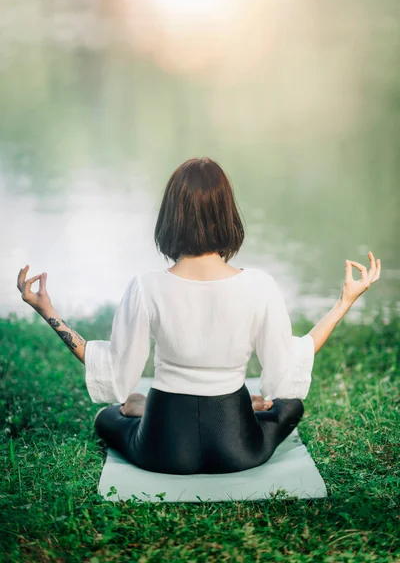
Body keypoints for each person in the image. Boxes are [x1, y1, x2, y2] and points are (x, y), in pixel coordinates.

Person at [16, 157, 381, 475]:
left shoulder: (145, 286)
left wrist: (48, 311)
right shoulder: (260, 285)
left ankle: (143, 410)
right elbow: (287, 369)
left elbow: (112, 372)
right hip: (237, 448)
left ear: (170, 216)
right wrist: (344, 301)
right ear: (228, 214)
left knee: (107, 417)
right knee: (290, 406)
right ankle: (240, 407)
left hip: (163, 448)